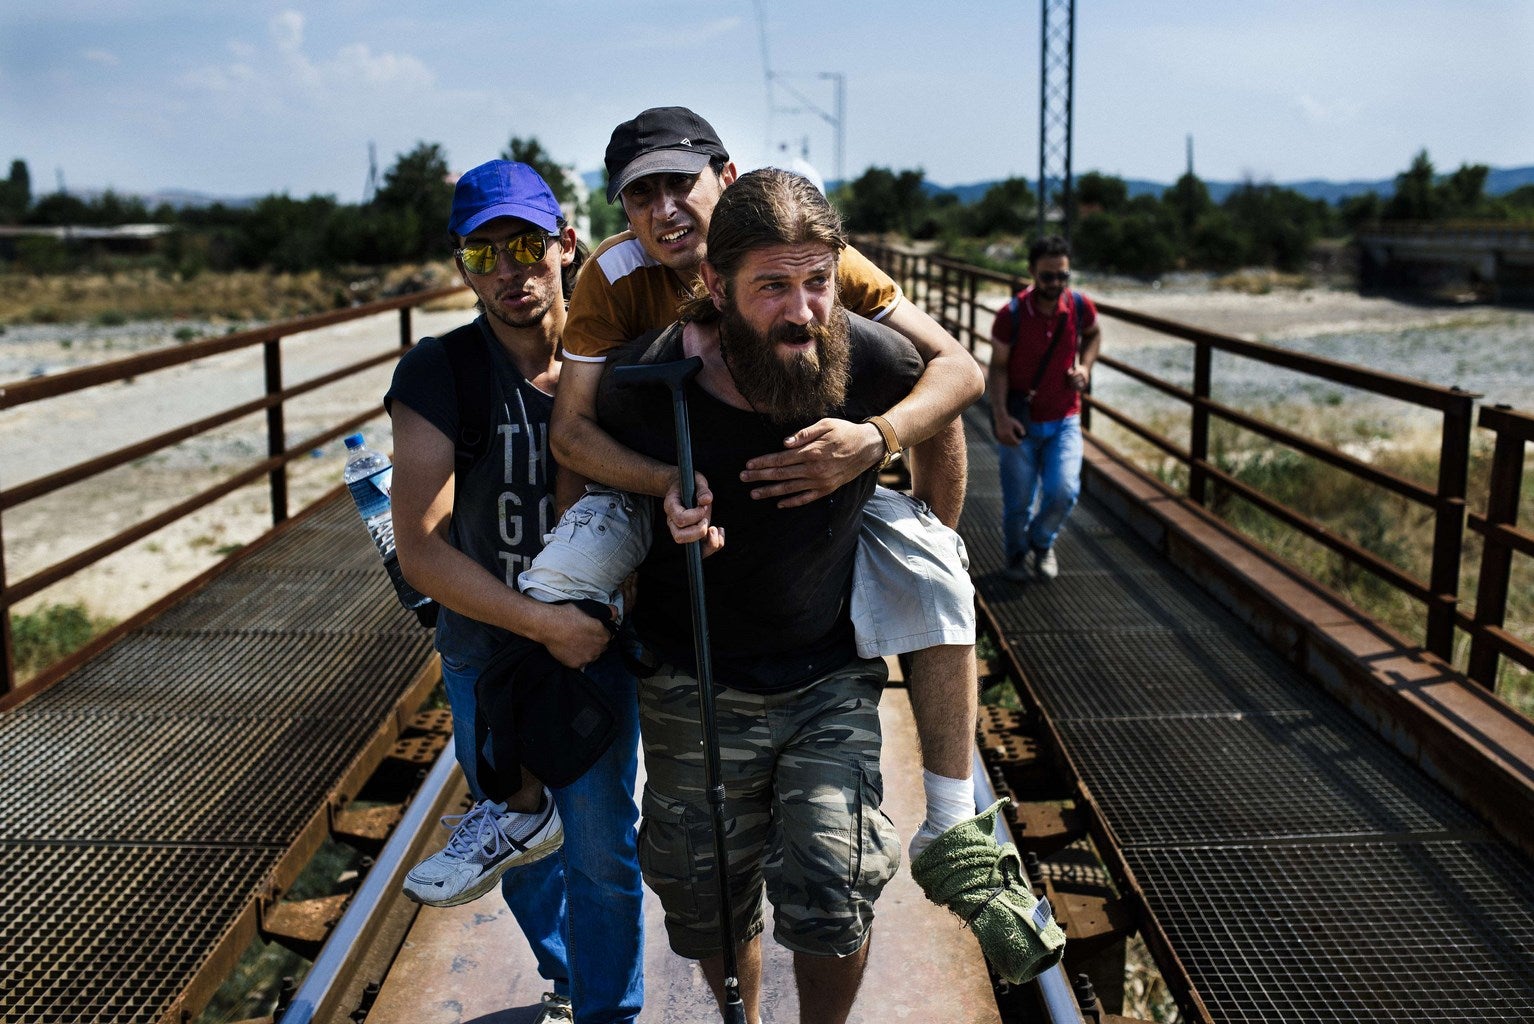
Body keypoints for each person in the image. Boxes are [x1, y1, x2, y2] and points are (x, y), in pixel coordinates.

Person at [551, 106, 984, 860]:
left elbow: (950, 372)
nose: (664, 211)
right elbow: (573, 432)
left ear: (726, 177)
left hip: (821, 491)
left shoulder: (806, 256)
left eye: (679, 185)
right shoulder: (615, 276)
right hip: (679, 485)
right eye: (640, 196)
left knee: (938, 575)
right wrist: (662, 483)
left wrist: (875, 442)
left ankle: (955, 826)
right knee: (560, 583)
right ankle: (529, 788)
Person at [596, 167, 946, 1024]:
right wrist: (644, 517)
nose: (802, 311)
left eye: (817, 282)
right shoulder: (647, 382)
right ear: (714, 285)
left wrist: (889, 458)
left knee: (835, 884)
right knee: (704, 889)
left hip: (826, 673)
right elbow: (578, 458)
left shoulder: (865, 356)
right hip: (691, 679)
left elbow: (952, 389)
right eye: (773, 287)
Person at [385, 160, 643, 1024]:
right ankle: (568, 974)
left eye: (527, 245)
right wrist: (540, 623)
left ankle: (610, 1012)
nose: (510, 272)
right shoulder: (441, 372)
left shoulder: (617, 360)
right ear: (461, 265)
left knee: (605, 849)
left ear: (565, 243)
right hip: (487, 650)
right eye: (483, 252)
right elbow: (421, 548)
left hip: (599, 651)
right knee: (521, 843)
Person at [987, 235, 1102, 582]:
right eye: (1048, 276)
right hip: (1020, 420)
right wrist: (1001, 418)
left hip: (1065, 417)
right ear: (1032, 272)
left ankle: (1041, 541)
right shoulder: (1011, 315)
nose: (1056, 284)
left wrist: (1085, 368)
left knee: (1064, 491)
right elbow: (998, 368)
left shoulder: (1080, 307)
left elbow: (1094, 335)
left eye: (1062, 276)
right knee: (1018, 503)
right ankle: (1016, 556)